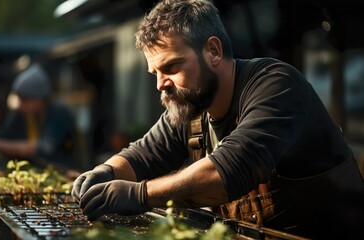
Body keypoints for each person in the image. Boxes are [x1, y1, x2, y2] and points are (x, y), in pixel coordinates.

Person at [71, 0, 364, 238]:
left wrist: (141, 194)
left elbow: (226, 173)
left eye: (171, 66)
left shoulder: (276, 85)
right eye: (155, 73)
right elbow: (143, 155)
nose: (161, 83)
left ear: (213, 51)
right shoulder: (192, 105)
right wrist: (107, 171)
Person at [0, 63, 78, 171]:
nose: (20, 104)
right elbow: (3, 136)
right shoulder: (22, 113)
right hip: (36, 170)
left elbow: (44, 149)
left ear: (39, 99)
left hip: (64, 171)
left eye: (25, 99)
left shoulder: (58, 111)